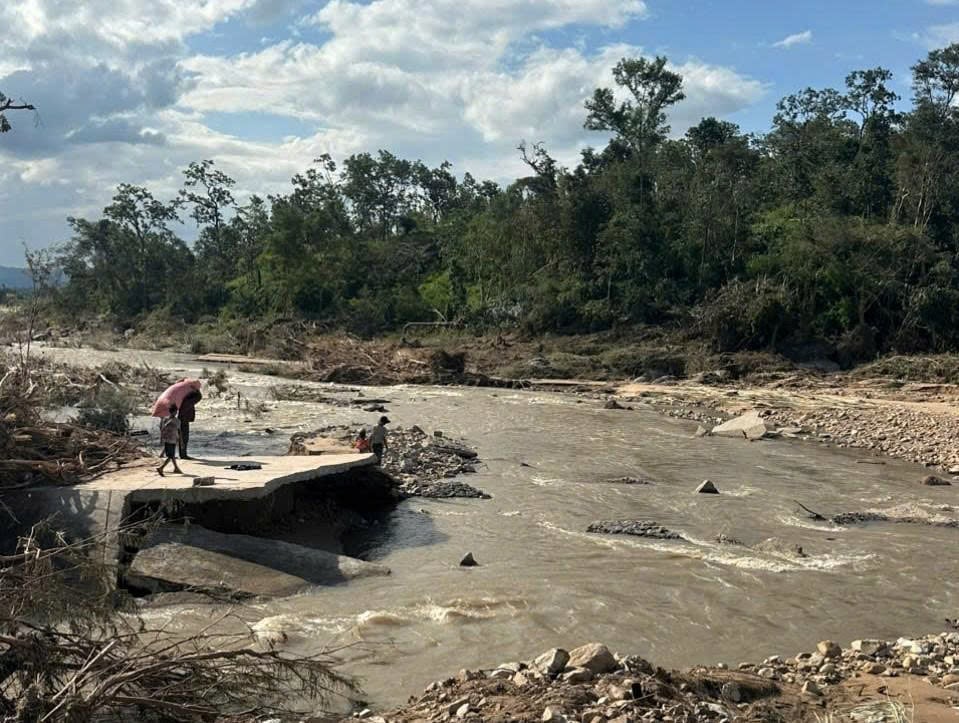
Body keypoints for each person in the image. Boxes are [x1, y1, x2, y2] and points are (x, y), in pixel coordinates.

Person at [157, 404, 183, 476]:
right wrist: (181, 442)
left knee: (171, 455)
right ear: (174, 412)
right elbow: (179, 432)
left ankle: (176, 468)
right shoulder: (177, 421)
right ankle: (161, 468)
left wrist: (161, 439)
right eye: (176, 411)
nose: (176, 413)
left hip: (166, 440)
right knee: (171, 456)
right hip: (172, 440)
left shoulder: (166, 419)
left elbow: (162, 430)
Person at [178, 388, 202, 460]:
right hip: (183, 420)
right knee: (184, 438)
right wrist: (196, 389)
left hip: (182, 420)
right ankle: (183, 455)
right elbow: (199, 397)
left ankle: (182, 454)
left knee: (182, 438)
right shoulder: (188, 402)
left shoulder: (185, 400)